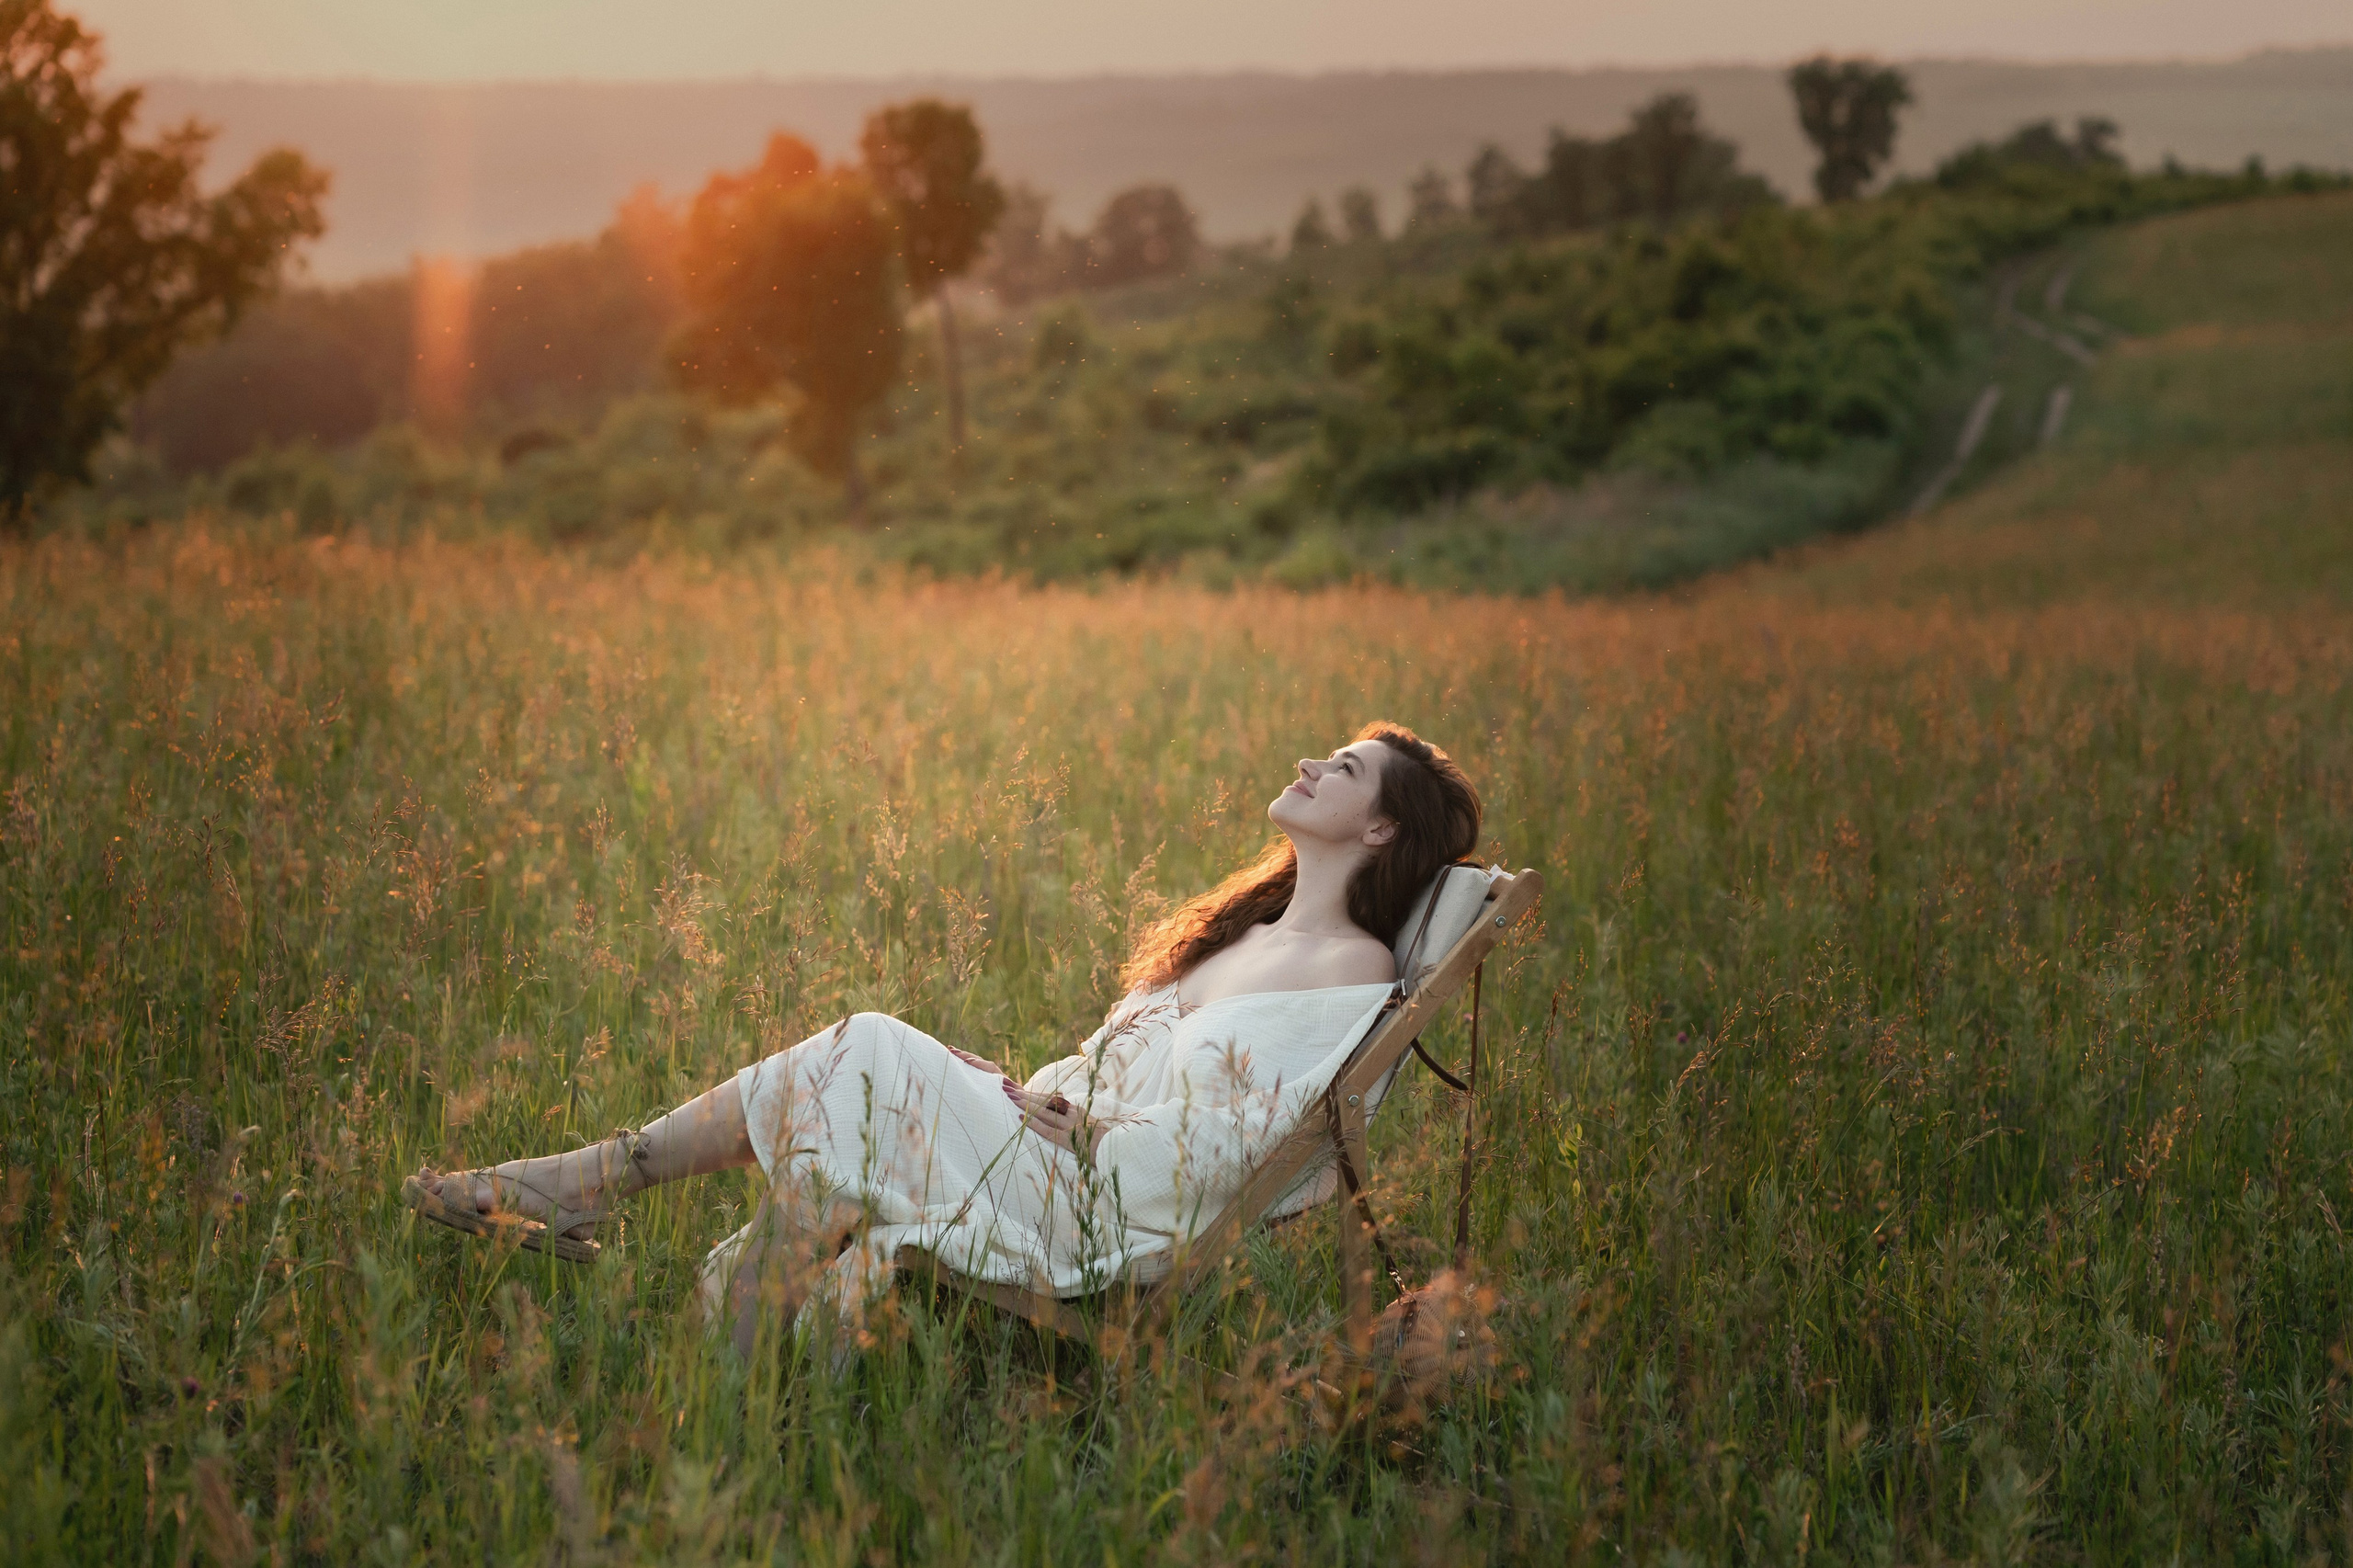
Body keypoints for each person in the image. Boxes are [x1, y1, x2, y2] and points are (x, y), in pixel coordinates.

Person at [401, 722, 1482, 1357]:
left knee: (868, 1045)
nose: (1310, 765)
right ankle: (681, 1285)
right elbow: (1102, 1074)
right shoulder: (1237, 934)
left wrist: (1095, 1133)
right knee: (868, 1066)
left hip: (1113, 1205)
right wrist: (1025, 1092)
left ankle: (597, 1195)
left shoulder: (1347, 967)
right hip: (1056, 1154)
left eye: (1340, 769)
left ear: (1380, 828)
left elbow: (1236, 1145)